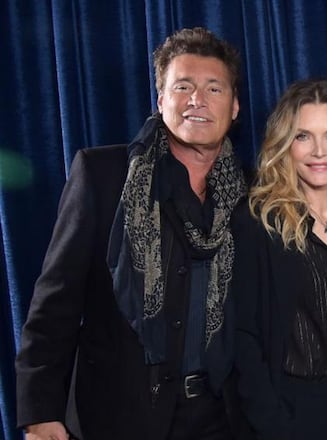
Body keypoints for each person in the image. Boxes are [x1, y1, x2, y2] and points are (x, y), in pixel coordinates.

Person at [15, 27, 249, 440]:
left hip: (222, 418)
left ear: (233, 108)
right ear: (161, 101)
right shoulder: (103, 175)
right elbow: (55, 301)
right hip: (119, 415)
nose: (198, 99)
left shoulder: (253, 193)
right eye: (183, 86)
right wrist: (40, 411)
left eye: (214, 88)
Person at [232, 79, 327, 439]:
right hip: (295, 413)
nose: (320, 151)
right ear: (285, 145)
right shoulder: (258, 222)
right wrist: (273, 423)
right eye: (303, 136)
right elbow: (243, 337)